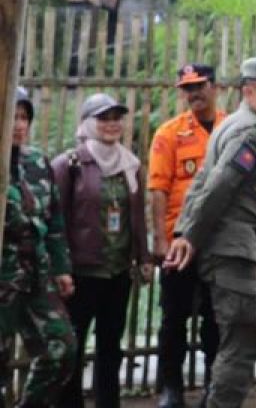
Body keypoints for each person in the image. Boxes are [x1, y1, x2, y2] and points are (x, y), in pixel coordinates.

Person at [163, 58, 256, 408]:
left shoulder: (231, 126)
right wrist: (188, 235)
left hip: (232, 249)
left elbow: (202, 181)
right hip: (232, 252)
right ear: (249, 91)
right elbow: (219, 186)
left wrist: (183, 231)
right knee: (242, 341)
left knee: (249, 329)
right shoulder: (249, 132)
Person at [52, 94, 152, 408]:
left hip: (118, 271)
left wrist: (144, 257)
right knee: (74, 346)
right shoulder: (69, 164)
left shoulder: (130, 165)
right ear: (87, 122)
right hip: (81, 273)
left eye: (116, 118)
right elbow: (55, 220)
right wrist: (60, 267)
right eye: (103, 118)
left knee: (111, 345)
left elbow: (137, 217)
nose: (111, 124)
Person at [148, 65, 225, 408]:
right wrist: (160, 242)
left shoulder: (232, 128)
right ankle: (171, 389)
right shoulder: (169, 133)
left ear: (215, 86)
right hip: (178, 241)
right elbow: (158, 188)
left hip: (220, 241)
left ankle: (213, 385)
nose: (193, 94)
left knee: (216, 317)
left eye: (199, 86)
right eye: (187, 88)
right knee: (174, 318)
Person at [0, 87, 76, 407]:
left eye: (24, 117)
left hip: (36, 271)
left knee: (62, 348)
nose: (19, 125)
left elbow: (55, 221)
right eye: (12, 117)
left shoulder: (38, 162)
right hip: (3, 275)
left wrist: (61, 269)